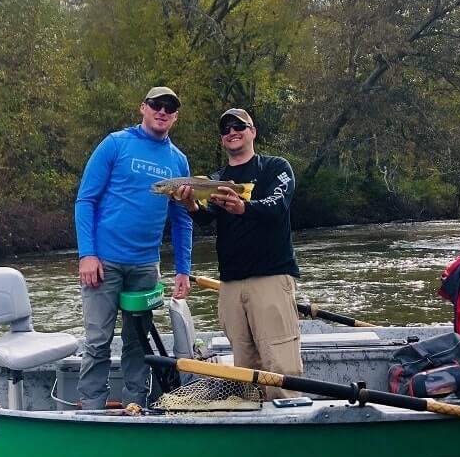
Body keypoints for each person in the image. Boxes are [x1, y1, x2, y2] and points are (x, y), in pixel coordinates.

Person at [74, 86, 193, 410]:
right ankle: (92, 410)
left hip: (145, 267)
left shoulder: (178, 161)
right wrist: (87, 254)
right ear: (143, 108)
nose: (162, 111)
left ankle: (135, 405)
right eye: (156, 105)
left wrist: (183, 269)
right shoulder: (115, 144)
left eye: (169, 108)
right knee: (98, 341)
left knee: (137, 343)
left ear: (175, 117)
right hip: (104, 263)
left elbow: (182, 220)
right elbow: (85, 200)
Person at [175, 108, 302, 400]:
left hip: (271, 277)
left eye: (239, 126)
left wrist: (245, 208)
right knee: (244, 363)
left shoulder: (275, 167)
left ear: (253, 132)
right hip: (231, 284)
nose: (232, 131)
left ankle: (290, 421)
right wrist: (191, 205)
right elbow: (206, 217)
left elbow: (277, 205)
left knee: (279, 362)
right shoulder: (217, 178)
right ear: (222, 140)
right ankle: (254, 422)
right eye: (225, 129)